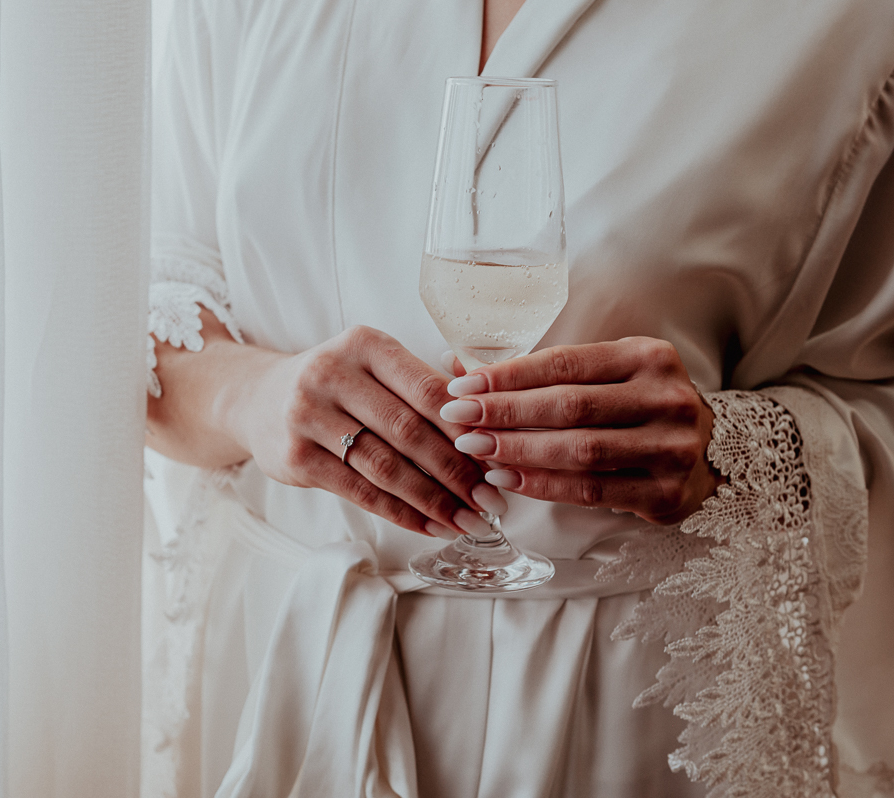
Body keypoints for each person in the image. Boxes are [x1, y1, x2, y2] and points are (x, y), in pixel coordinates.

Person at [141, 0, 894, 795]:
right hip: (278, 669)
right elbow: (142, 288)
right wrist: (253, 397)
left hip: (627, 714)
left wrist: (731, 451)